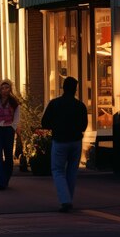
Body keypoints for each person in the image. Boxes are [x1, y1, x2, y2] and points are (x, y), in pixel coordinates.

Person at [41, 76, 88, 212]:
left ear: (63, 87)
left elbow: (45, 122)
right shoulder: (80, 106)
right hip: (76, 141)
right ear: (76, 89)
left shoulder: (55, 104)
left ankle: (65, 200)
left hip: (60, 140)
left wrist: (55, 126)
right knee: (72, 171)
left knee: (58, 170)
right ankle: (68, 198)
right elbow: (84, 125)